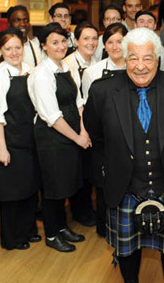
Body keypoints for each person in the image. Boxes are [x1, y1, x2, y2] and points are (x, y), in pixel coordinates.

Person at [84, 28, 164, 282]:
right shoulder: (102, 91)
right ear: (124, 59)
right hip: (124, 186)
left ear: (158, 58)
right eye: (133, 58)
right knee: (127, 252)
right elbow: (96, 132)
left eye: (147, 58)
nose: (140, 66)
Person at [27, 22, 89, 252]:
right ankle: (52, 234)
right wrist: (77, 138)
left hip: (72, 133)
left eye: (63, 41)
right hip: (52, 138)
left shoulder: (67, 67)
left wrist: (83, 131)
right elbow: (52, 117)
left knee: (67, 184)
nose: (61, 46)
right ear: (44, 46)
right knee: (54, 189)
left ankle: (62, 227)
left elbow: (79, 103)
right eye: (54, 42)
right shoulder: (41, 75)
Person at [0, 28, 41, 251]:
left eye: (18, 47)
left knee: (28, 187)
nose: (14, 52)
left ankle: (28, 230)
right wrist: (1, 149)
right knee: (11, 192)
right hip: (7, 140)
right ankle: (11, 238)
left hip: (28, 139)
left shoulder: (29, 70)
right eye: (9, 48)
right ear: (0, 50)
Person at [81, 22, 127, 238]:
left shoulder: (137, 67)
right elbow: (90, 110)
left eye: (120, 41)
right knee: (103, 182)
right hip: (104, 137)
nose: (116, 46)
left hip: (132, 134)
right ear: (104, 46)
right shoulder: (93, 72)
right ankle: (104, 227)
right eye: (110, 42)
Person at [63, 21, 99, 227]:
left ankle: (88, 208)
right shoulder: (68, 64)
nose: (91, 42)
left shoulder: (97, 61)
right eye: (86, 38)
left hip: (94, 120)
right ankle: (81, 211)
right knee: (80, 170)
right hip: (77, 122)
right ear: (76, 41)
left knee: (90, 168)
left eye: (94, 38)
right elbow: (77, 99)